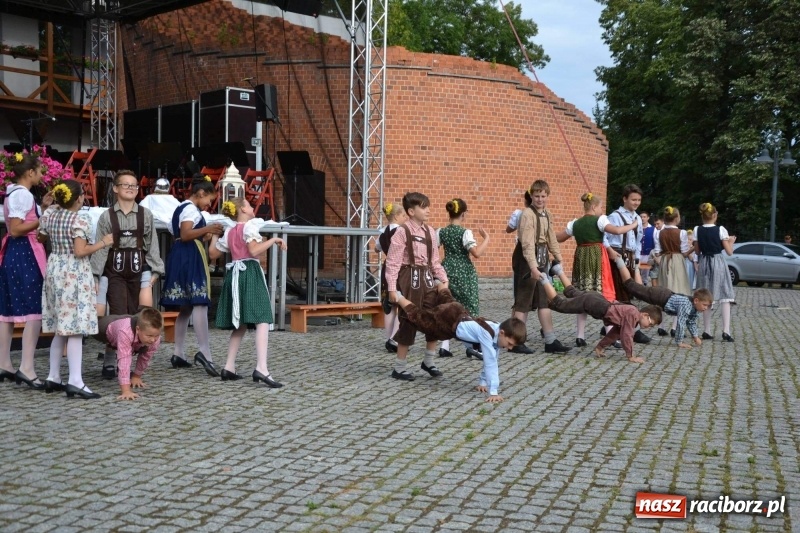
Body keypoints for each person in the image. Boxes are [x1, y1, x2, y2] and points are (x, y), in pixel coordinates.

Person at [40, 180, 114, 399]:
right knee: (74, 327)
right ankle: (75, 380)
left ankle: (53, 376)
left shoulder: (51, 215)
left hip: (55, 267)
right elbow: (80, 251)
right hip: (73, 271)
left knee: (61, 327)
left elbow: (40, 237)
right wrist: (103, 242)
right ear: (79, 198)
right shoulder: (79, 218)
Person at [392, 286, 526, 402]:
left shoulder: (497, 331)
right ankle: (399, 296)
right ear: (502, 333)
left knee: (447, 299)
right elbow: (490, 361)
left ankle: (440, 284)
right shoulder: (488, 334)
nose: (509, 348)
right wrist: (494, 392)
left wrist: (483, 382)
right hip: (449, 323)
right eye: (509, 344)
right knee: (420, 319)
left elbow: (492, 358)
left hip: (458, 312)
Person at [91, 170, 164, 379]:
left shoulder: (145, 215)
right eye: (126, 185)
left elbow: (152, 245)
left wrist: (155, 270)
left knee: (138, 313)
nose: (131, 188)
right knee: (117, 314)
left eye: (134, 185)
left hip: (137, 268)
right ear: (115, 188)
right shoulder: (107, 216)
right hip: (114, 270)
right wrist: (96, 275)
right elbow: (101, 247)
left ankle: (132, 360)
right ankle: (109, 358)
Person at [209, 198, 286, 388]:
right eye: (249, 205)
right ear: (243, 209)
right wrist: (273, 240)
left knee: (241, 322)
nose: (252, 208)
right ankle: (262, 367)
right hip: (249, 272)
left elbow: (213, 254)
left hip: (234, 274)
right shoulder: (249, 227)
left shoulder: (230, 231)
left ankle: (229, 366)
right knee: (262, 318)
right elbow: (253, 251)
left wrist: (212, 236)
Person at [160, 175, 225, 375]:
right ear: (200, 193)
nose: (209, 204)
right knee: (199, 301)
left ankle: (178, 353)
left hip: (182, 253)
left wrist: (205, 233)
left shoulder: (182, 208)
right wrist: (208, 228)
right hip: (189, 256)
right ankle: (205, 352)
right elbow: (186, 233)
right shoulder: (189, 209)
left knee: (186, 307)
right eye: (209, 200)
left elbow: (185, 233)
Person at [557, 193, 638, 347]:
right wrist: (633, 225)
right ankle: (609, 334)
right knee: (603, 297)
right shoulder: (600, 220)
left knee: (583, 297)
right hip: (597, 260)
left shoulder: (575, 223)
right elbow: (617, 231)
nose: (602, 210)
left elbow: (559, 238)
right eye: (601, 207)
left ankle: (580, 336)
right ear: (593, 207)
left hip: (581, 259)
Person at [384, 192, 450, 381]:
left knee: (434, 319)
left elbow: (435, 261)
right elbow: (393, 262)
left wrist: (443, 280)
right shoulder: (402, 232)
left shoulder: (430, 231)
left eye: (428, 206)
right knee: (409, 319)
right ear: (411, 211)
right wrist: (391, 289)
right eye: (423, 207)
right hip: (409, 279)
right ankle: (399, 367)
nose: (428, 210)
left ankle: (428, 361)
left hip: (428, 279)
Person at [0, 154, 53, 389]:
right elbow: (16, 229)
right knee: (34, 308)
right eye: (40, 171)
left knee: (8, 309)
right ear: (30, 172)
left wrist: (42, 208)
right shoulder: (22, 194)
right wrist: (44, 217)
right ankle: (27, 367)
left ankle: (4, 362)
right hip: (24, 252)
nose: (42, 175)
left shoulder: (13, 192)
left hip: (14, 252)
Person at [542, 263, 661, 364]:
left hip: (596, 299)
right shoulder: (633, 316)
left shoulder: (632, 315)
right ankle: (543, 279)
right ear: (645, 315)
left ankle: (558, 270)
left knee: (572, 292)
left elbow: (615, 333)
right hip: (594, 304)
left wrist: (600, 347)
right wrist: (630, 356)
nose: (648, 327)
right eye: (650, 323)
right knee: (560, 305)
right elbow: (627, 336)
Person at [608, 249, 711, 349]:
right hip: (660, 296)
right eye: (704, 305)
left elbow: (691, 322)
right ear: (696, 301)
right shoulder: (687, 305)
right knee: (631, 286)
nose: (706, 308)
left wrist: (695, 337)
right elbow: (681, 322)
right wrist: (679, 342)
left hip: (664, 298)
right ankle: (619, 260)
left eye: (707, 306)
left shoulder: (694, 309)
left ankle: (635, 268)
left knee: (638, 289)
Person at [512, 180, 569, 354]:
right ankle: (515, 341)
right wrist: (533, 267)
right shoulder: (527, 215)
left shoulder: (547, 214)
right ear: (531, 196)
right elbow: (527, 244)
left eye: (543, 196)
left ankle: (550, 340)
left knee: (544, 299)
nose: (540, 199)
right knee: (524, 300)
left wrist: (558, 258)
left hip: (542, 256)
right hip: (527, 259)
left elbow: (551, 237)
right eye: (537, 196)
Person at [437, 198, 490, 358]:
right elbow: (476, 253)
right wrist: (486, 238)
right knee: (470, 307)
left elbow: (433, 249)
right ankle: (473, 345)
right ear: (463, 214)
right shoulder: (465, 233)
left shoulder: (441, 232)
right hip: (464, 272)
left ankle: (444, 345)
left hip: (446, 270)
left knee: (447, 306)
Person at [91, 307, 163, 400]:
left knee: (145, 345)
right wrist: (126, 391)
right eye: (149, 336)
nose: (153, 339)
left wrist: (136, 376)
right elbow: (124, 360)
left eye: (156, 335)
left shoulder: (154, 337)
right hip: (106, 326)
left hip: (130, 321)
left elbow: (145, 358)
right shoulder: (125, 332)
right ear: (138, 329)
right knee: (93, 325)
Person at [694, 203, 736, 342]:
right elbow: (729, 252)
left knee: (706, 296)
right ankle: (726, 331)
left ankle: (706, 330)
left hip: (704, 262)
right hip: (718, 262)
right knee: (725, 295)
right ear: (714, 215)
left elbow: (697, 251)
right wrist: (731, 241)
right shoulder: (721, 229)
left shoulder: (697, 230)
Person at [652, 206, 692, 336]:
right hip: (677, 261)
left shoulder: (660, 232)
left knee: (664, 293)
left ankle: (661, 326)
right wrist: (693, 249)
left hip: (665, 261)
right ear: (677, 218)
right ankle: (675, 327)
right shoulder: (682, 233)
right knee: (679, 292)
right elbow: (684, 252)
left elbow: (657, 252)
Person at [375, 201, 406, 354]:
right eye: (403, 215)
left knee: (389, 305)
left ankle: (389, 337)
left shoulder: (383, 231)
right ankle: (394, 338)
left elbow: (376, 248)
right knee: (400, 304)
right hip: (399, 269)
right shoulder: (401, 231)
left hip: (386, 267)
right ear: (396, 216)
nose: (404, 218)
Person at [506, 193, 535, 354]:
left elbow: (508, 229)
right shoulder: (533, 214)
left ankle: (514, 331)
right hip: (527, 254)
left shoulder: (519, 214)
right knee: (523, 297)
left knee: (521, 296)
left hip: (522, 253)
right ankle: (515, 335)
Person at [648, 215, 664, 287]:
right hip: (655, 267)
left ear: (663, 222)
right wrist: (654, 258)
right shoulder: (656, 232)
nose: (656, 226)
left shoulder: (665, 232)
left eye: (658, 224)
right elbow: (649, 262)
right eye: (655, 224)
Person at [639, 211, 654, 286]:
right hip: (638, 253)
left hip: (647, 254)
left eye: (644, 217)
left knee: (645, 272)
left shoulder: (652, 229)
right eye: (641, 217)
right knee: (637, 271)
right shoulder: (637, 228)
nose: (642, 218)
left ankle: (644, 285)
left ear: (648, 218)